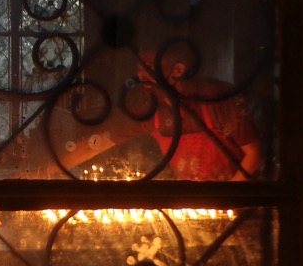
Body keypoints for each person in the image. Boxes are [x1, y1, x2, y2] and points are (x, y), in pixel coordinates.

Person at [59, 44, 262, 181]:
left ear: (177, 70)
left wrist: (227, 201)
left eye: (148, 68)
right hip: (194, 204)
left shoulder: (216, 98)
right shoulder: (151, 108)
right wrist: (50, 170)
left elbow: (253, 153)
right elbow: (97, 144)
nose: (141, 76)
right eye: (139, 70)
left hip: (233, 203)